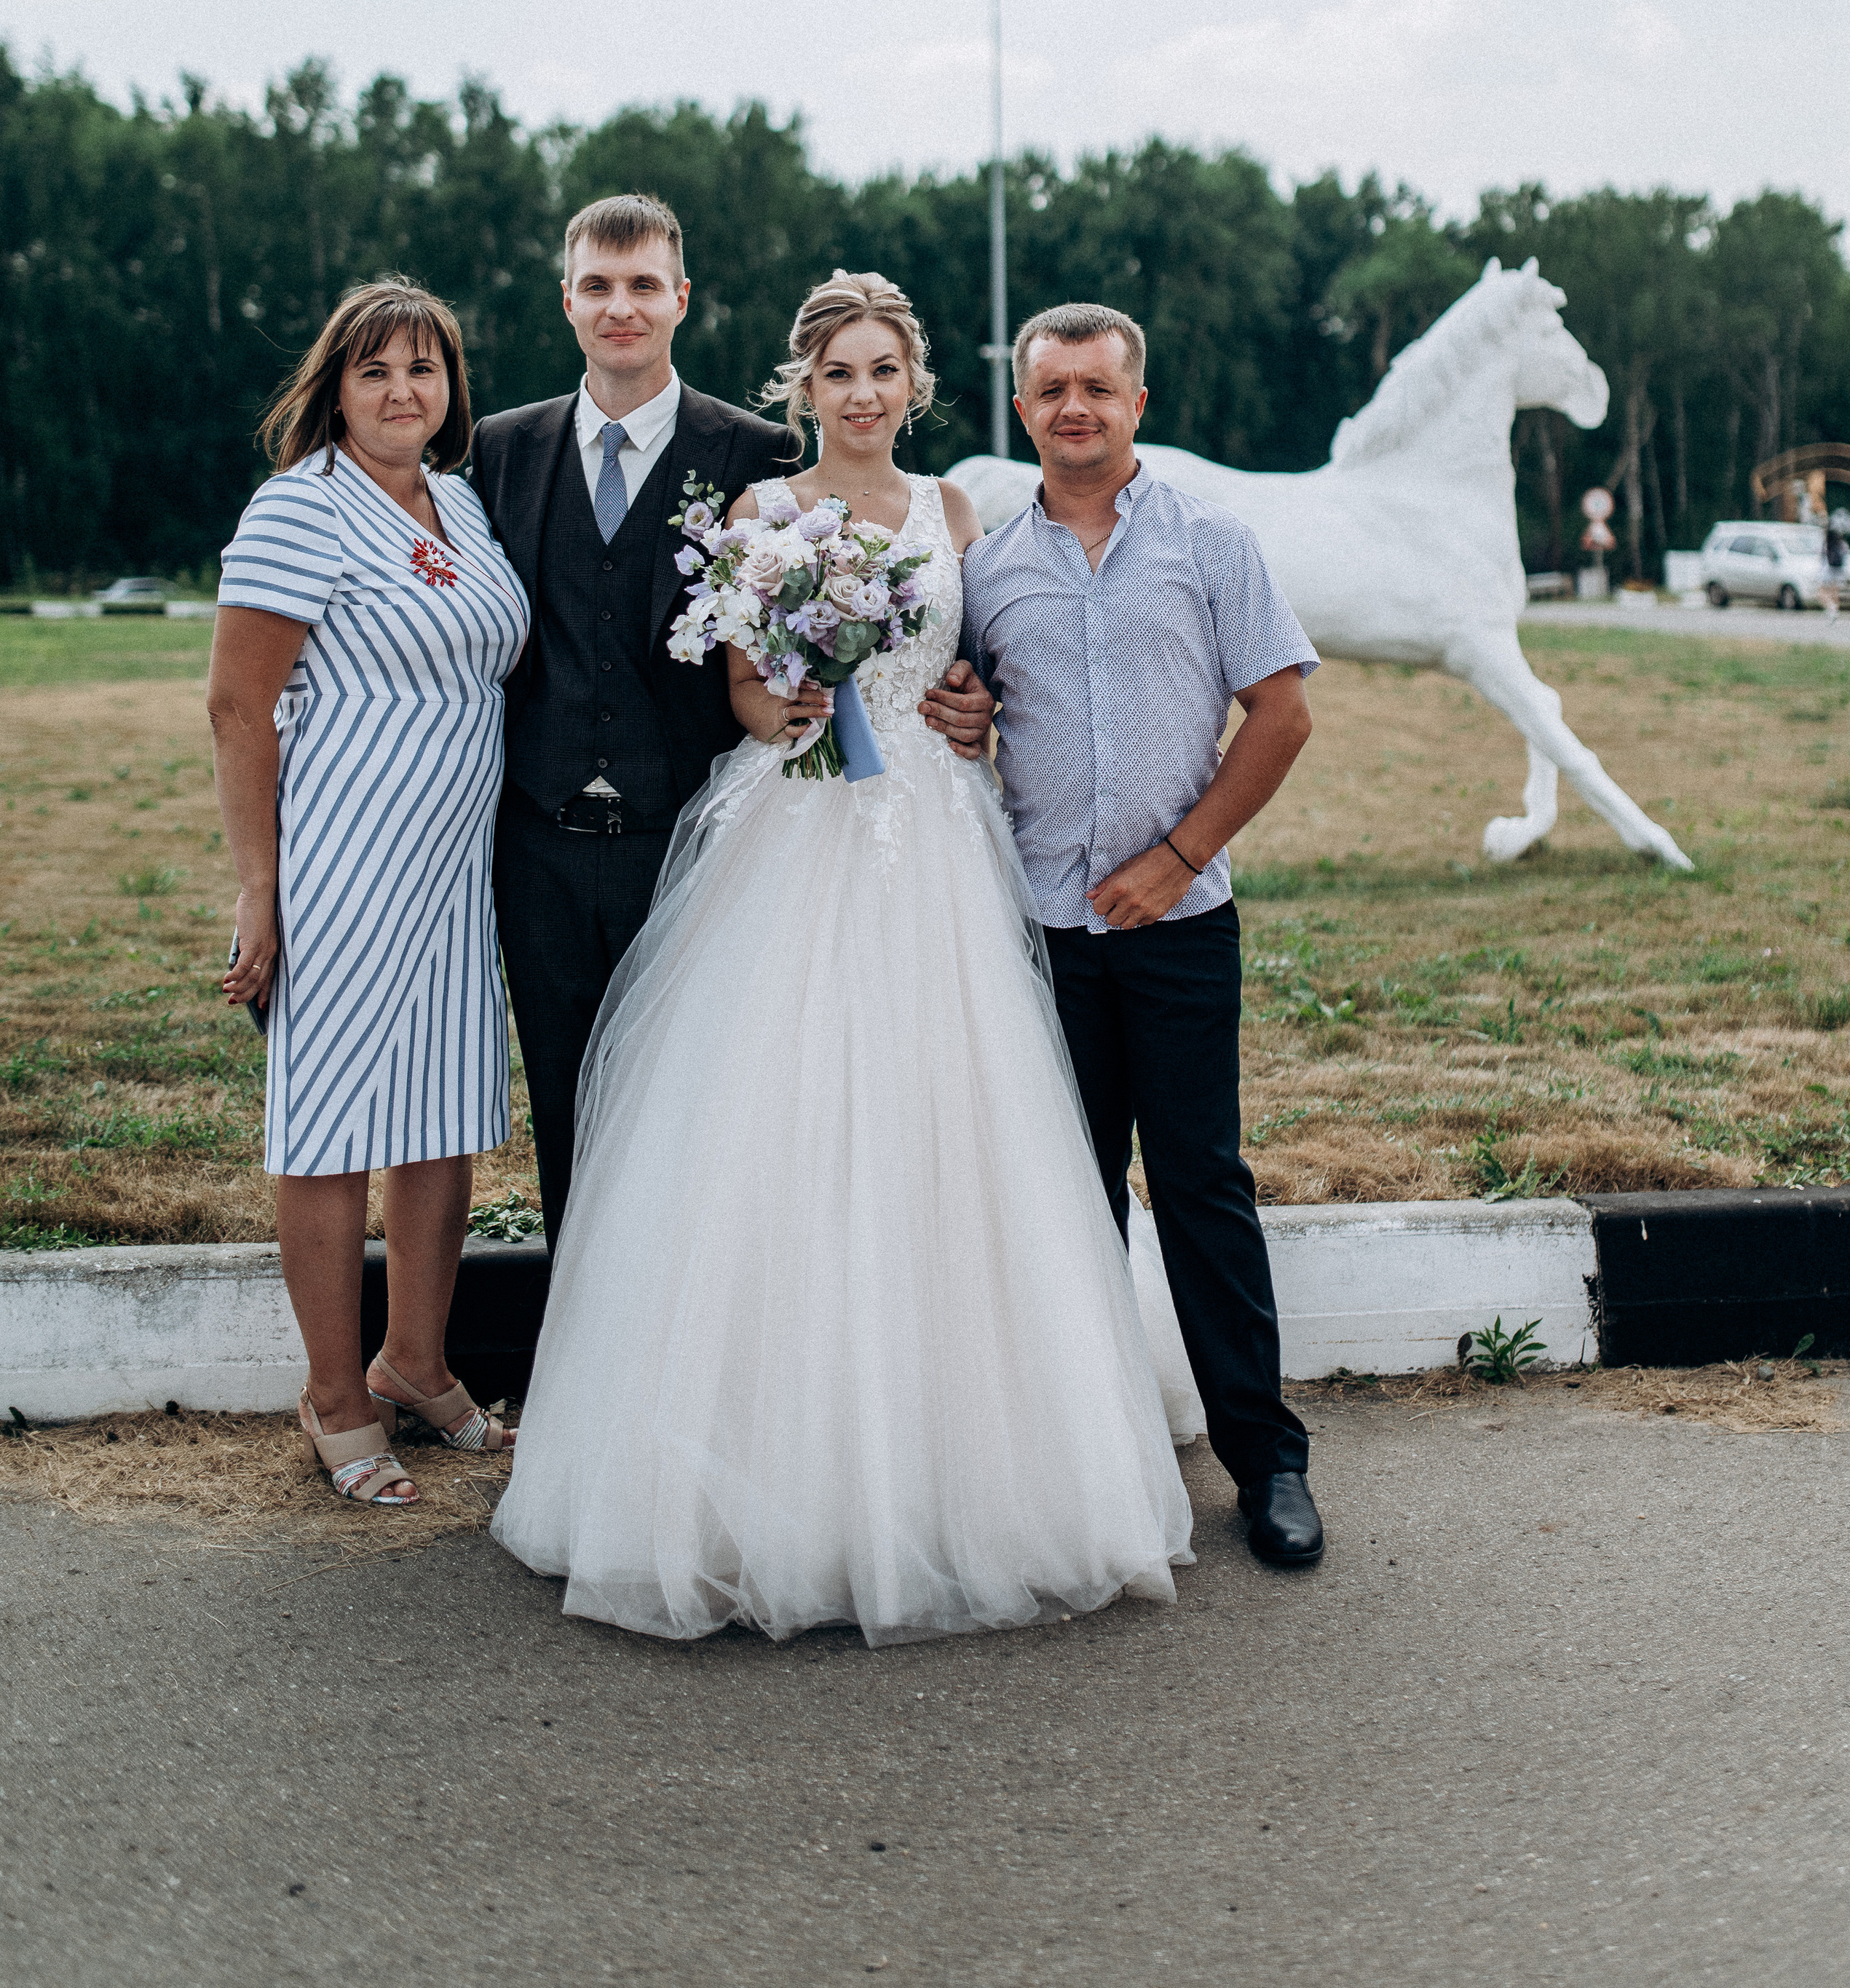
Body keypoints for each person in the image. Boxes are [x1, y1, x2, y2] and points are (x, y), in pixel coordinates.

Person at [492, 271, 1193, 1644]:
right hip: (800, 828)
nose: (861, 395)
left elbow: (978, 668)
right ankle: (771, 1470)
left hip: (932, 832)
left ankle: (965, 1464)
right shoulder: (764, 515)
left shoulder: (953, 512)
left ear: (912, 386)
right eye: (838, 375)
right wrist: (786, 699)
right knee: (776, 1121)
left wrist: (972, 705)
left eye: (883, 372)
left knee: (949, 1120)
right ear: (800, 391)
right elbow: (745, 695)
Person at [949, 301, 1327, 1569]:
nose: (1075, 409)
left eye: (1097, 390)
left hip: (1178, 927)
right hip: (1045, 935)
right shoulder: (988, 571)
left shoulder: (1214, 548)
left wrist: (1176, 861)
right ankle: (1095, 1463)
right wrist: (958, 710)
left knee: (1202, 1189)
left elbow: (1280, 718)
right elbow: (966, 720)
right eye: (1051, 390)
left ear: (1136, 406)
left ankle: (1267, 1464)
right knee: (1072, 1202)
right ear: (1023, 410)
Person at [208, 281, 530, 1508]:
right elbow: (240, 705)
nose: (404, 391)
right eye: (377, 370)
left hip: (454, 864)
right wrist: (262, 887)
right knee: (333, 1128)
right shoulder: (299, 511)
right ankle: (337, 1398)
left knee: (443, 1119)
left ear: (451, 388)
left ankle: (416, 1362)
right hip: (343, 860)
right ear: (335, 388)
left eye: (426, 369)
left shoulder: (458, 502)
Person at [469, 194, 798, 1248]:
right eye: (599, 287)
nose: (622, 307)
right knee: (565, 1112)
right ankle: (580, 1369)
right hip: (538, 843)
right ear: (567, 300)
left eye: (643, 284)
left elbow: (821, 618)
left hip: (694, 838)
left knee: (696, 1109)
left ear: (680, 300)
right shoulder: (494, 453)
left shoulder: (759, 455)